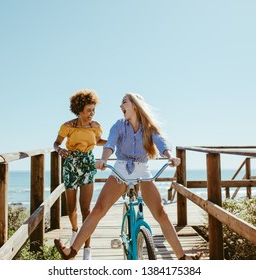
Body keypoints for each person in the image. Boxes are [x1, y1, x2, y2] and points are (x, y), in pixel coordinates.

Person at [54, 93, 202, 260]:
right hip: (121, 170)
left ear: (135, 106)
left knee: (161, 213)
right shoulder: (118, 125)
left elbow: (161, 142)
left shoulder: (149, 128)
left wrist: (169, 157)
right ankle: (71, 251)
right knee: (98, 209)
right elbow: (110, 143)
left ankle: (182, 257)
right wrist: (103, 159)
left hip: (142, 170)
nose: (120, 106)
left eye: (124, 102)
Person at [53, 89, 106, 260]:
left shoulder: (96, 127)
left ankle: (87, 250)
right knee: (71, 208)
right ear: (80, 110)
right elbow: (56, 143)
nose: (92, 113)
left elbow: (97, 142)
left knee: (86, 209)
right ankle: (75, 231)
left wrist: (116, 141)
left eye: (93, 110)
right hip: (71, 164)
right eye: (89, 110)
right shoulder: (67, 126)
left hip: (88, 164)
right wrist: (60, 149)